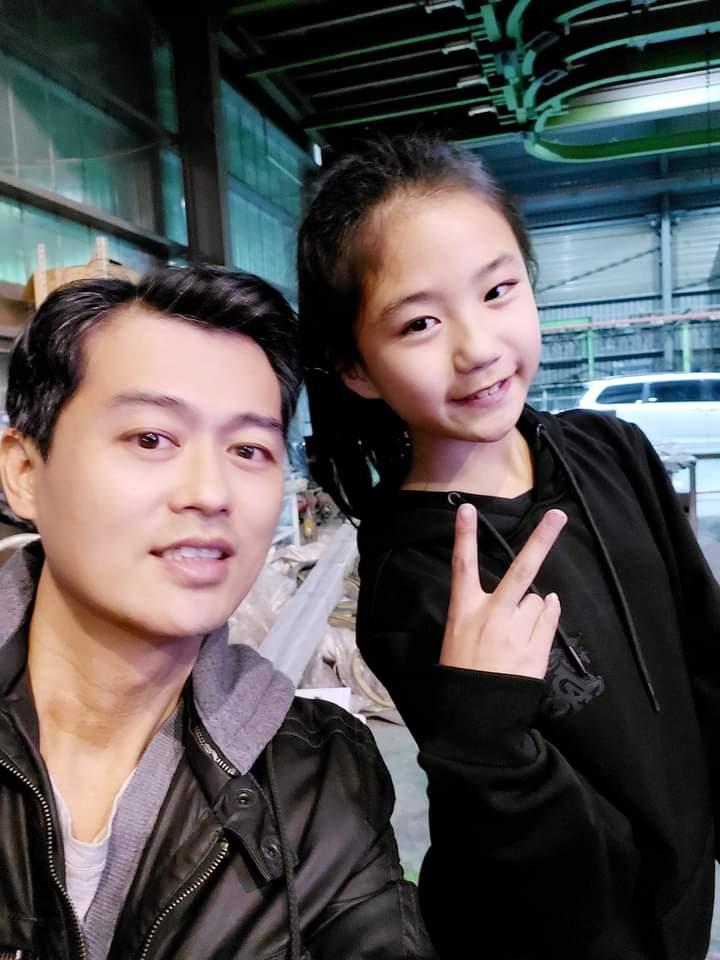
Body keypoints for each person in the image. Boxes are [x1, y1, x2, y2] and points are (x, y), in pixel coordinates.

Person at [297, 134, 720, 959]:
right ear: (356, 367)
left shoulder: (612, 450)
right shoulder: (413, 574)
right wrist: (482, 727)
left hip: (684, 902)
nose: (479, 347)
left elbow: (705, 656)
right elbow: (522, 856)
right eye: (420, 322)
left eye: (498, 290)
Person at [0, 264, 436, 960]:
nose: (211, 492)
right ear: (25, 472)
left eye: (248, 450)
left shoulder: (319, 779)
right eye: (151, 439)